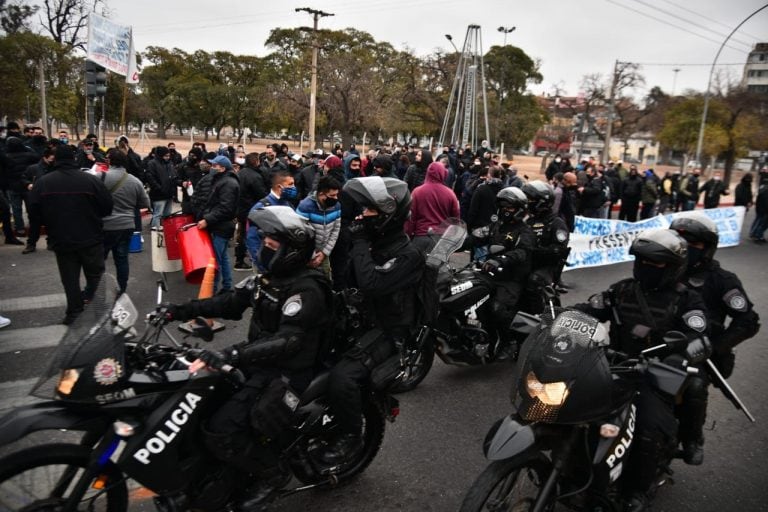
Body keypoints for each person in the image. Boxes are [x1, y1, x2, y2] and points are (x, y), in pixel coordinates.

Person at [160, 206, 332, 510]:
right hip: (258, 359)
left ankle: (272, 474)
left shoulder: (308, 288)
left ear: (292, 249)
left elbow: (288, 341)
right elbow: (230, 302)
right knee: (200, 404)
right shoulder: (268, 278)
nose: (264, 245)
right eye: (264, 239)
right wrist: (178, 311)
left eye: (271, 242)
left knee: (222, 430)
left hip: (288, 371)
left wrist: (232, 353)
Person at [574, 229, 711, 511]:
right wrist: (558, 317)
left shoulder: (687, 300)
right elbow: (589, 309)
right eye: (643, 260)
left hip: (653, 376)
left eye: (656, 263)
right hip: (611, 367)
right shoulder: (622, 289)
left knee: (648, 428)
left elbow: (699, 337)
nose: (647, 267)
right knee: (568, 407)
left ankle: (638, 489)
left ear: (674, 267)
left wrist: (679, 355)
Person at [326, 176, 424, 463]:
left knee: (342, 377)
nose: (362, 216)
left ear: (387, 216)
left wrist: (358, 241)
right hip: (361, 321)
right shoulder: (373, 244)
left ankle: (351, 436)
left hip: (388, 332)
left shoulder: (408, 254)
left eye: (369, 211)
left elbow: (371, 284)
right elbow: (346, 280)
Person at [670, 213, 760, 465]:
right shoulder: (662, 267)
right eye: (679, 240)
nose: (685, 248)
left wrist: (714, 347)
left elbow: (748, 322)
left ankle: (692, 438)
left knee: (694, 387)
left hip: (700, 353)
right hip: (658, 342)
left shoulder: (722, 280)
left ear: (707, 248)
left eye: (694, 244)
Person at [27, 145, 113, 325]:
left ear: (55, 160)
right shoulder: (91, 181)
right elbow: (107, 206)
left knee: (69, 279)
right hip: (91, 237)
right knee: (96, 276)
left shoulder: (43, 182)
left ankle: (74, 313)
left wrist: (49, 222)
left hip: (61, 238)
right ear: (74, 159)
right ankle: (100, 314)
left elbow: (33, 210)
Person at [480, 187, 535, 354]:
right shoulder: (496, 226)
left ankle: (508, 341)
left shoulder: (525, 231)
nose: (505, 210)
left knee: (497, 308)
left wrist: (501, 259)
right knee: (472, 297)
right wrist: (455, 244)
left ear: (519, 210)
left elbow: (522, 253)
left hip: (512, 278)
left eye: (509, 207)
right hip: (491, 274)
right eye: (503, 206)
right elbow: (477, 236)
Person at [101, 149, 150, 294]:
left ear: (109, 161)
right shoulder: (135, 181)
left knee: (98, 261)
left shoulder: (100, 177)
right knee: (122, 259)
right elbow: (145, 203)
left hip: (105, 225)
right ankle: (121, 290)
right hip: (127, 224)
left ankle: (96, 290)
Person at [522, 180, 569, 308]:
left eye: (529, 200)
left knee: (534, 281)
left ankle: (537, 314)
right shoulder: (527, 220)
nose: (527, 203)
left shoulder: (556, 223)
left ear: (541, 202)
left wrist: (534, 251)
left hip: (545, 267)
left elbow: (558, 250)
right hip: (525, 262)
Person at [197, 155, 240, 293]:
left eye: (214, 166)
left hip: (221, 226)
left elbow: (225, 208)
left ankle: (211, 290)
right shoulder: (223, 180)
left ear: (222, 168)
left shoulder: (228, 183)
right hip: (221, 225)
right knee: (223, 257)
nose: (212, 168)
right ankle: (227, 287)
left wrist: (207, 219)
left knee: (214, 261)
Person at [246, 170, 297, 271]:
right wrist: (260, 263)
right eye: (290, 184)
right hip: (266, 261)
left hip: (283, 262)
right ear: (279, 187)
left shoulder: (288, 205)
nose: (294, 187)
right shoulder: (261, 208)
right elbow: (252, 238)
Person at [404, 161, 460, 253]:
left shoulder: (417, 192)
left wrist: (408, 235)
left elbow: (411, 217)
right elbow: (455, 219)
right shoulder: (450, 194)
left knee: (416, 265)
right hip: (441, 239)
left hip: (421, 236)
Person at [296, 175, 342, 280]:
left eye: (336, 195)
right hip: (306, 256)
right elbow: (299, 235)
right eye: (332, 195)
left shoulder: (336, 206)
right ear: (321, 194)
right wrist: (312, 256)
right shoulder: (305, 207)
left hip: (324, 254)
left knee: (326, 282)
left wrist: (324, 253)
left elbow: (335, 230)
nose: (336, 198)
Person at [234, 152, 269, 270]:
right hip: (252, 210)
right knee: (251, 235)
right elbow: (262, 195)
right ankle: (246, 259)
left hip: (240, 208)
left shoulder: (240, 173)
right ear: (257, 162)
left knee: (242, 233)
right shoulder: (255, 176)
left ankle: (240, 257)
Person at [20, 148, 56, 253]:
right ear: (45, 157)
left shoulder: (55, 168)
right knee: (34, 224)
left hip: (50, 200)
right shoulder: (33, 168)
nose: (52, 161)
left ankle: (51, 242)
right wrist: (28, 184)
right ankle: (31, 244)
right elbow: (23, 178)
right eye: (50, 159)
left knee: (51, 223)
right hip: (36, 200)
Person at [145, 146, 178, 229]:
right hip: (159, 194)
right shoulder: (152, 163)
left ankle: (166, 229)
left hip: (169, 193)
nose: (168, 157)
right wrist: (159, 188)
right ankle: (155, 230)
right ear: (160, 155)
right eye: (165, 156)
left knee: (167, 214)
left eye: (168, 155)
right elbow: (150, 178)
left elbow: (174, 176)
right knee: (158, 213)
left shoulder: (170, 163)